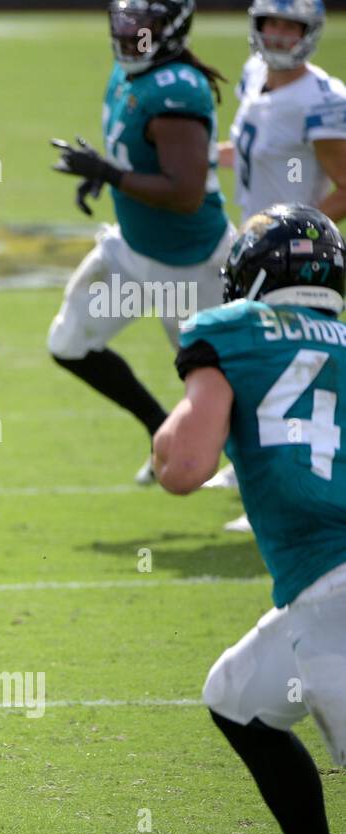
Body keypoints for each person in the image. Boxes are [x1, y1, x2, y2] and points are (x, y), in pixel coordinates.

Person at [152, 204, 346, 834]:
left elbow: (185, 469)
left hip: (334, 599)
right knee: (237, 696)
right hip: (319, 595)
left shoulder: (232, 331)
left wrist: (163, 436)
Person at [48, 0, 237, 485]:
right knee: (70, 343)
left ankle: (260, 482)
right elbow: (138, 154)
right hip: (134, 254)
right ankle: (161, 433)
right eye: (125, 20)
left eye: (144, 25)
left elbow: (186, 193)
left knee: (222, 382)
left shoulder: (177, 91)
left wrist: (108, 173)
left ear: (171, 29)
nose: (131, 32)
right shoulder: (131, 68)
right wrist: (108, 178)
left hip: (192, 268)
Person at [205, 0, 346, 530]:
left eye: (292, 26)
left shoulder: (321, 101)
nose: (281, 34)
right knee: (248, 363)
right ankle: (249, 472)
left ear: (310, 32)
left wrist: (294, 235)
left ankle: (285, 495)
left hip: (291, 262)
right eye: (272, 23)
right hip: (254, 248)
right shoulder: (254, 76)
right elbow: (247, 150)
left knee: (280, 372)